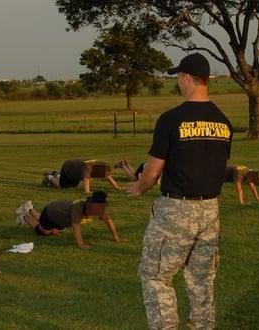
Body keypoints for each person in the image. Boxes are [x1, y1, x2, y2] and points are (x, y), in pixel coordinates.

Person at [127, 53, 233, 330]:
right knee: (201, 279)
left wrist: (140, 187)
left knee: (155, 276)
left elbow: (152, 172)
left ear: (187, 78)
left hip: (176, 211)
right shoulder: (224, 122)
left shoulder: (171, 119)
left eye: (178, 78)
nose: (178, 83)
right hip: (211, 210)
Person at [14, 191, 124, 249]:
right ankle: (23, 215)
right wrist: (81, 245)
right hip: (52, 213)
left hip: (60, 219)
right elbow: (76, 228)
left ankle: (29, 208)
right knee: (44, 231)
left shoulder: (100, 209)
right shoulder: (79, 208)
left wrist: (116, 238)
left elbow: (109, 222)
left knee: (53, 230)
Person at [41, 159, 122, 193]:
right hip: (68, 168)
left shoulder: (101, 166)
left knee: (72, 186)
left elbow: (109, 178)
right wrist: (88, 192)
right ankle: (49, 177)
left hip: (75, 169)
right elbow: (86, 180)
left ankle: (57, 175)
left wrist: (117, 187)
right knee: (63, 187)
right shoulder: (90, 168)